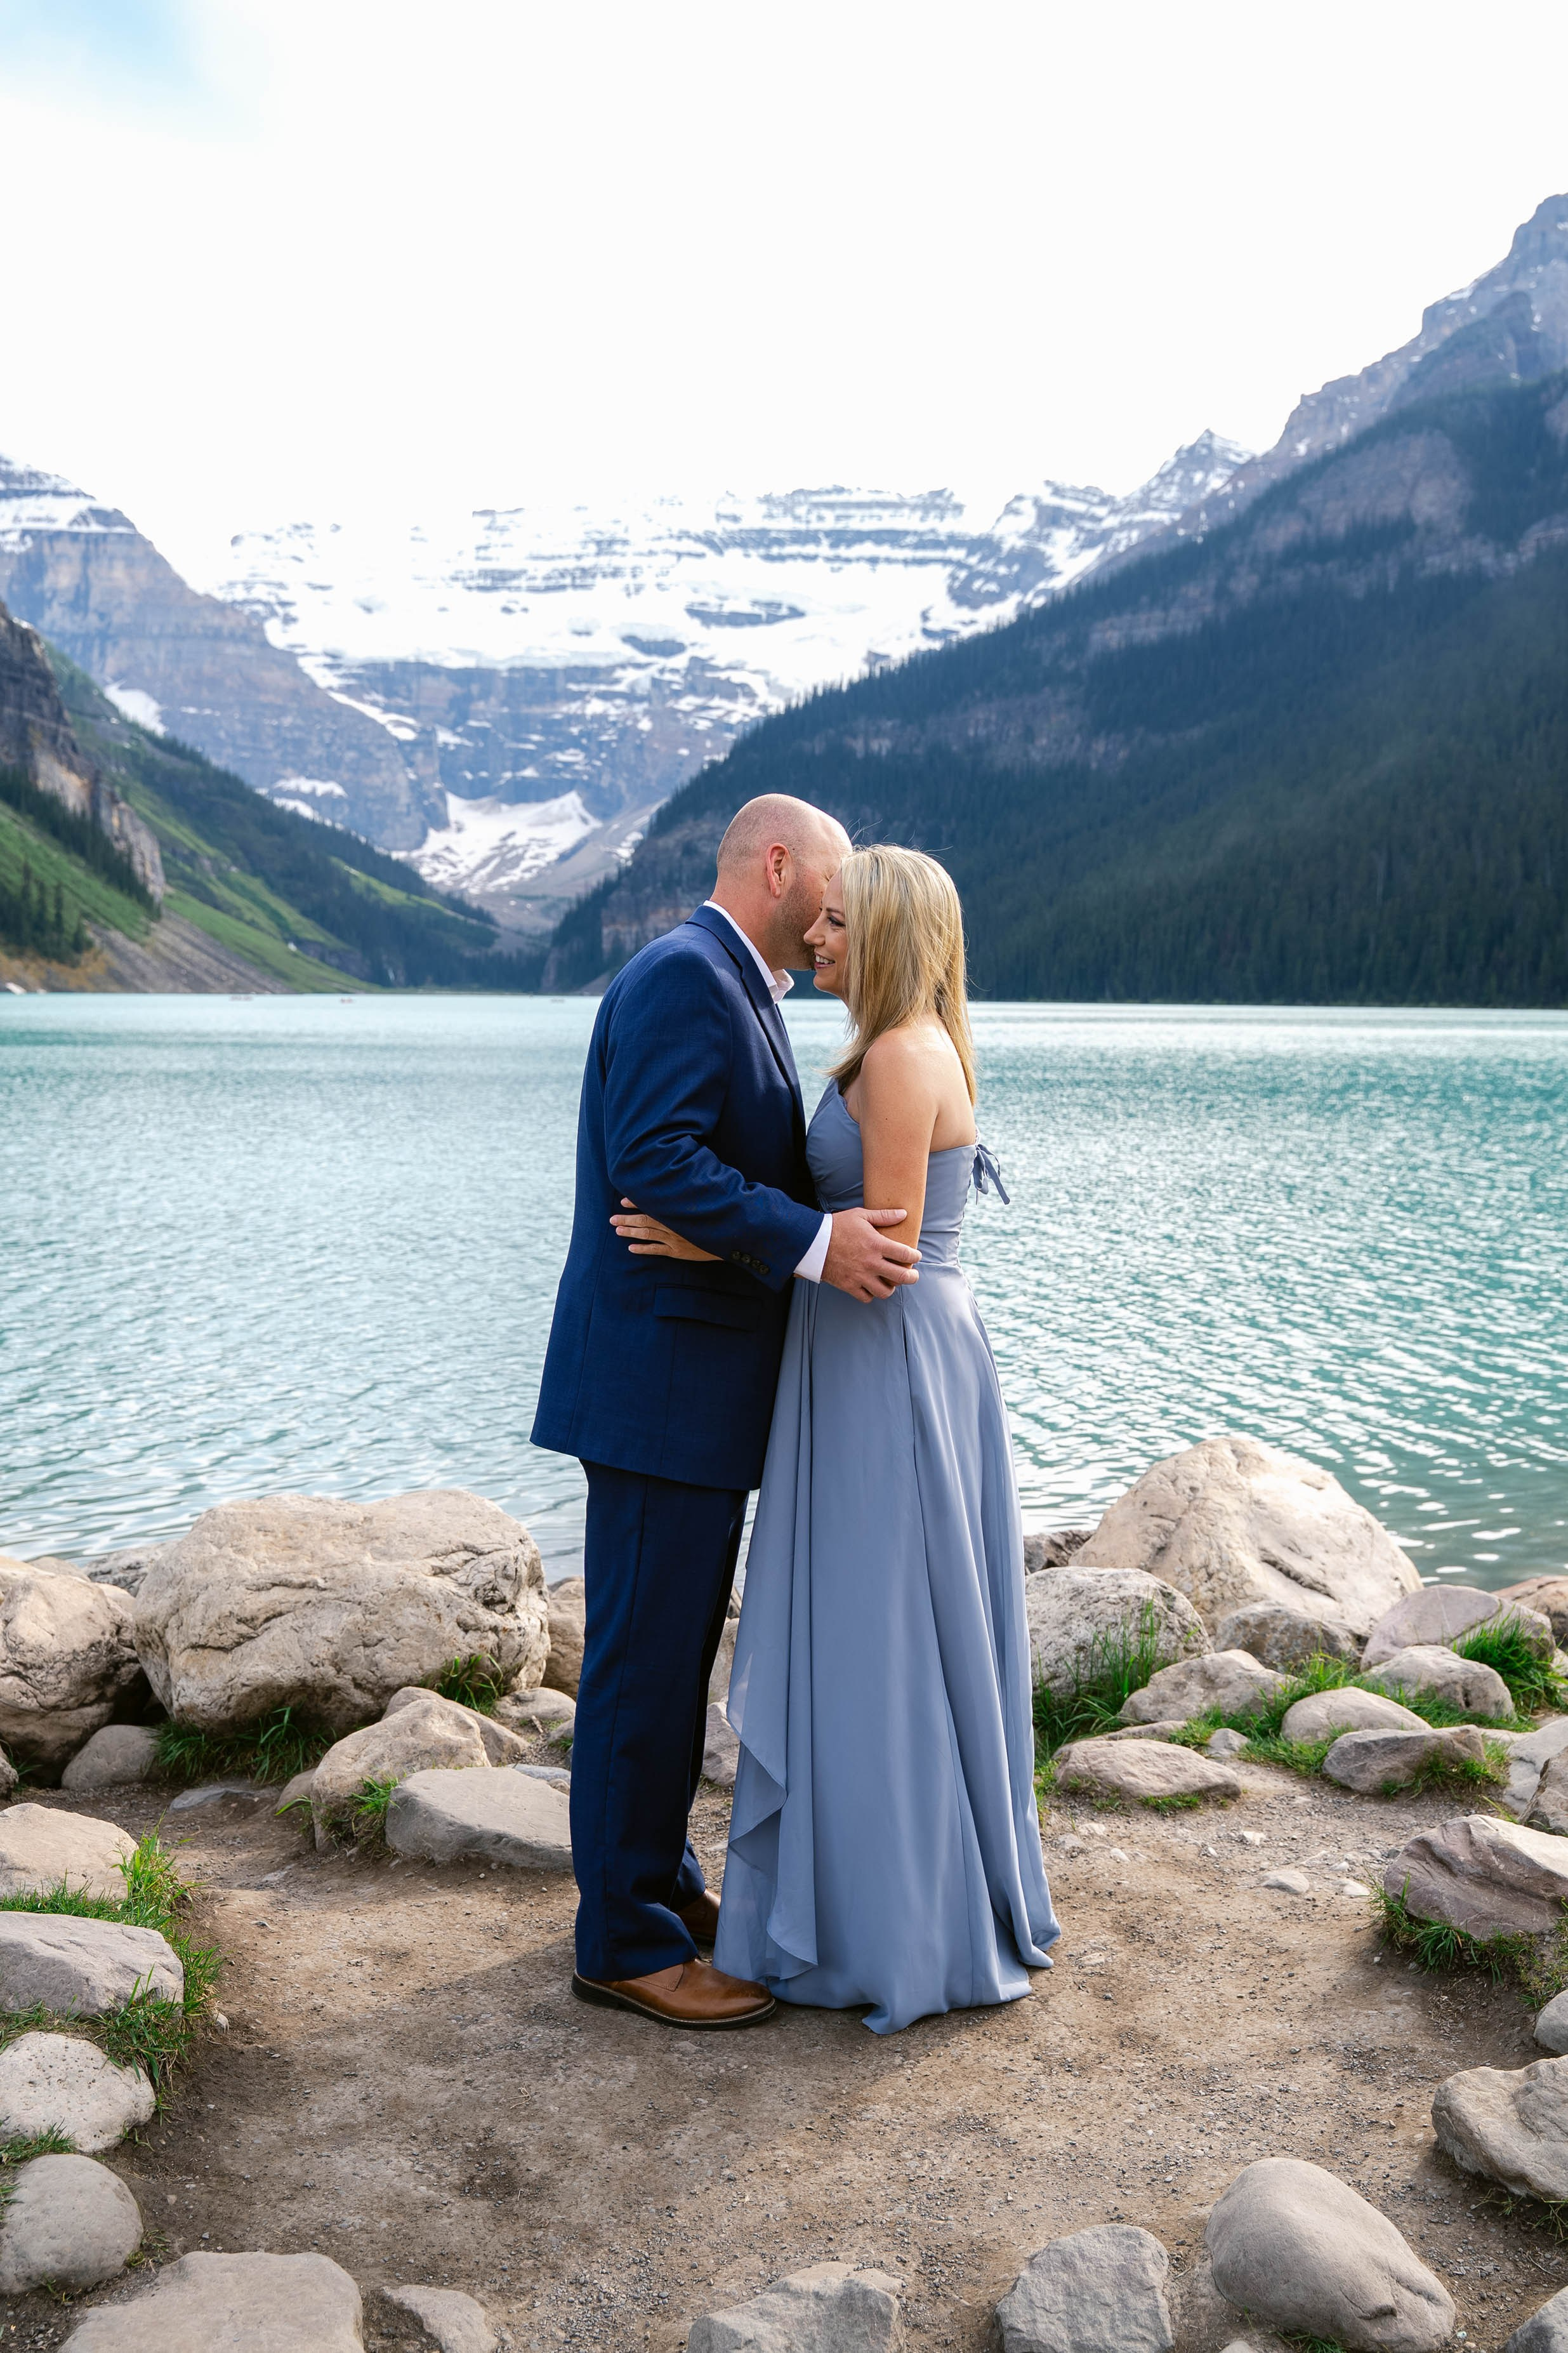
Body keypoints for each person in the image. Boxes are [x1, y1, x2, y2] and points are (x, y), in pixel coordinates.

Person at [617, 845, 1057, 2032]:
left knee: (886, 1631)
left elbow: (881, 1251)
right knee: (867, 1627)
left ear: (893, 934)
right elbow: (838, 1228)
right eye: (820, 918)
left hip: (889, 1361)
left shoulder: (904, 1054)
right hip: (862, 1357)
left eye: (841, 923)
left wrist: (708, 1238)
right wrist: (748, 1233)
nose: (817, 934)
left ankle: (894, 1926)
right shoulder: (889, 1046)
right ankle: (844, 1902)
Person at [531, 795, 922, 2031]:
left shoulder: (735, 984)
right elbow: (654, 1156)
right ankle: (623, 1944)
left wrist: (739, 1237)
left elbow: (708, 1172)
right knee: (642, 1670)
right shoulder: (686, 976)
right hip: (658, 1387)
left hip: (685, 1385)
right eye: (832, 888)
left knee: (669, 1661)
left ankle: (657, 1884)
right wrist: (811, 1239)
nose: (836, 913)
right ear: (779, 866)